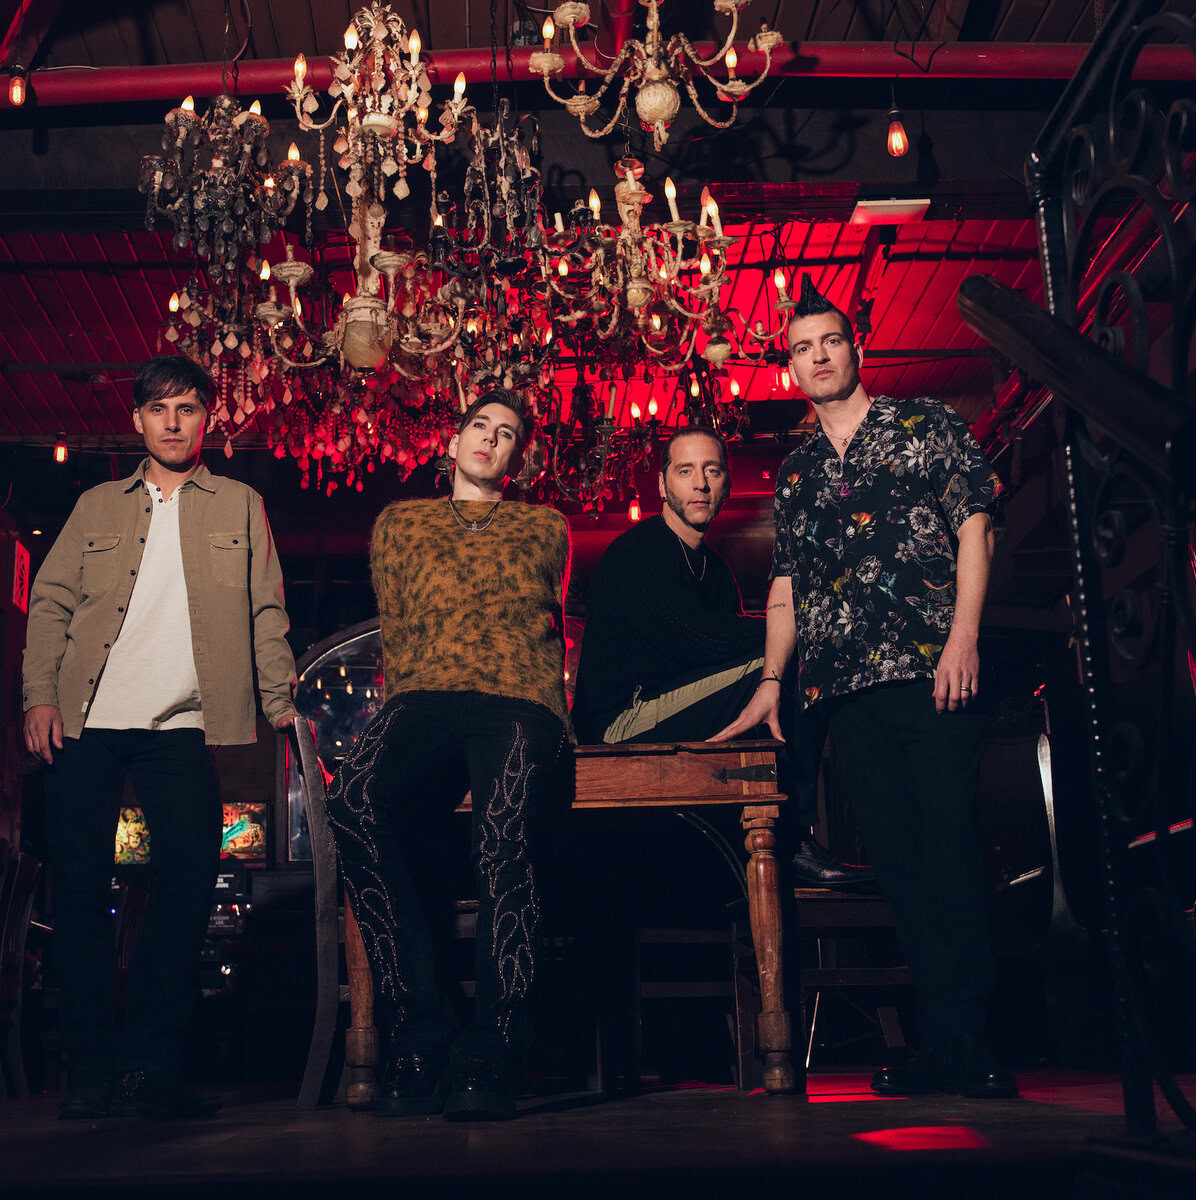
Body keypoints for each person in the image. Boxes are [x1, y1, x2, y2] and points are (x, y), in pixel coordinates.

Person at [717, 278, 1016, 1099]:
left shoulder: (923, 427)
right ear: (790, 368)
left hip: (930, 674)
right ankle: (939, 1043)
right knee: (899, 866)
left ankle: (975, 1041)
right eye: (801, 350)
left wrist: (962, 637)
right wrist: (773, 682)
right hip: (842, 694)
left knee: (950, 850)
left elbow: (973, 527)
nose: (817, 358)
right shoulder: (798, 471)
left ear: (855, 350)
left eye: (829, 343)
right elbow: (786, 587)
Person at [22, 354, 298, 1120]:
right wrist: (38, 697)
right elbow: (48, 604)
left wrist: (279, 698)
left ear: (206, 418)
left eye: (186, 408)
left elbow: (264, 611)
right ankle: (87, 1071)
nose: (173, 422)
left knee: (183, 892)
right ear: (137, 420)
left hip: (180, 727)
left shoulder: (240, 505)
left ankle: (151, 1068)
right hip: (84, 723)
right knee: (78, 893)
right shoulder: (94, 507)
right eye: (158, 410)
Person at [325, 390, 572, 1122]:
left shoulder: (543, 525)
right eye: (479, 426)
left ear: (517, 458)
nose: (490, 440)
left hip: (520, 696)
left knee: (501, 838)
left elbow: (530, 615)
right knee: (351, 802)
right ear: (453, 439)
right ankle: (420, 1028)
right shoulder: (399, 522)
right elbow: (402, 625)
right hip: (423, 696)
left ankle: (495, 1040)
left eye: (506, 435)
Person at [571, 427, 872, 887]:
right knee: (788, 654)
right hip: (620, 722)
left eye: (711, 471)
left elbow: (717, 655)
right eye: (685, 471)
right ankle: (794, 841)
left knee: (785, 659)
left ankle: (802, 830)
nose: (700, 484)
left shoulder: (715, 572)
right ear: (662, 484)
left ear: (727, 484)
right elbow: (702, 642)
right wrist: (791, 625)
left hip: (675, 705)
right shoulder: (639, 552)